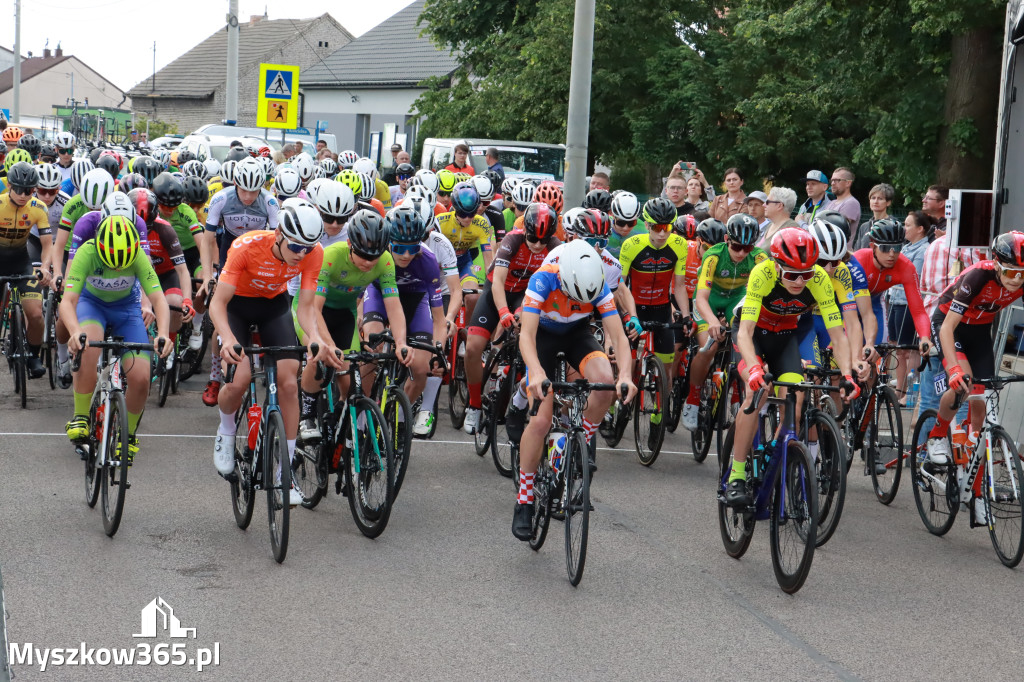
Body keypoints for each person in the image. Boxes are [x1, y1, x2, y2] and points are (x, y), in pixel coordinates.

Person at [724, 228, 858, 506]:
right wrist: (754, 369)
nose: (800, 281)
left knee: (795, 399)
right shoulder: (763, 274)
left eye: (806, 274)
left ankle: (776, 451)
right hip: (753, 336)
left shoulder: (819, 279)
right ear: (776, 265)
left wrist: (846, 375)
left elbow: (837, 333)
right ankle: (736, 475)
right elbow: (745, 333)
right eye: (792, 275)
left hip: (784, 338)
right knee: (756, 393)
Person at [512, 240, 637, 539]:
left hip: (577, 335)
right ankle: (525, 499)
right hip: (542, 336)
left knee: (605, 384)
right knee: (541, 421)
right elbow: (526, 336)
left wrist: (627, 376)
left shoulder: (599, 283)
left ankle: (577, 442)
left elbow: (619, 338)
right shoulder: (544, 278)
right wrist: (537, 372)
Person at [210, 200, 330, 507]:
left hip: (274, 309)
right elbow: (218, 304)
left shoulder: (313, 254)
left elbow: (304, 308)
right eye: (295, 246)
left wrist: (315, 338)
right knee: (239, 381)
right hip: (236, 306)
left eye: (307, 247)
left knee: (290, 383)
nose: (301, 254)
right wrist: (226, 338)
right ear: (278, 233)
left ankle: (284, 473)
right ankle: (225, 431)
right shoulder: (245, 246)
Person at [923, 231, 1024, 525]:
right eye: (1011, 273)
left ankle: (976, 490)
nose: (1016, 280)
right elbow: (946, 329)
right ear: (996, 264)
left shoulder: (1019, 277)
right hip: (949, 326)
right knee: (964, 383)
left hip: (980, 333)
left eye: (1022, 274)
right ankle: (937, 437)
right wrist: (953, 370)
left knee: (983, 410)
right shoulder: (978, 276)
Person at [61, 216, 171, 461]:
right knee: (88, 345)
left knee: (142, 376)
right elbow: (68, 301)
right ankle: (80, 416)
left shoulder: (139, 255)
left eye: (125, 265)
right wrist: (74, 331)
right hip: (92, 305)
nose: (119, 270)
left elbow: (159, 299)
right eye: (113, 264)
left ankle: (128, 435)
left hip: (127, 310)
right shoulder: (87, 253)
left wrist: (163, 333)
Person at [463, 203, 561, 435]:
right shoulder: (512, 240)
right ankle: (474, 404)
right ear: (524, 229)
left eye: (543, 240)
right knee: (473, 347)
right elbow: (497, 282)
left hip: (524, 296)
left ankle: (510, 377)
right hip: (497, 290)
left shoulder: (556, 247)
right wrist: (503, 312)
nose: (537, 245)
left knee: (526, 339)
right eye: (532, 238)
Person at [682, 214, 767, 431]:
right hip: (710, 299)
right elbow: (700, 297)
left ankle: (737, 395)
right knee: (709, 347)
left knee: (743, 341)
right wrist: (711, 321)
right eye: (737, 247)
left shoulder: (758, 258)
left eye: (747, 248)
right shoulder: (713, 255)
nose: (741, 253)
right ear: (727, 239)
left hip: (736, 300)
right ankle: (692, 399)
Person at [0, 162, 53, 378]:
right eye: (19, 189)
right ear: (10, 186)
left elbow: (47, 244)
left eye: (29, 190)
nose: (24, 195)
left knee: (35, 314)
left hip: (22, 260)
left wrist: (46, 268)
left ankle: (33, 354)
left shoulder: (38, 208)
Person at [886, 210, 932, 404]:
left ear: (920, 229)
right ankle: (899, 390)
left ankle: (910, 394)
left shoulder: (923, 250)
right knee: (898, 348)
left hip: (907, 303)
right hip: (895, 300)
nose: (904, 229)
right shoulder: (906, 247)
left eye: (908, 225)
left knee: (910, 350)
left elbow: (913, 278)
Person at [852, 183, 894, 251]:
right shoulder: (864, 227)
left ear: (888, 202)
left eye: (880, 199)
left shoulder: (894, 226)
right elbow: (857, 252)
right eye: (873, 198)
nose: (875, 201)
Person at [824, 167, 861, 237]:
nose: (832, 183)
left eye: (837, 180)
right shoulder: (832, 203)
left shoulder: (851, 203)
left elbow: (836, 229)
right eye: (832, 180)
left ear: (848, 183)